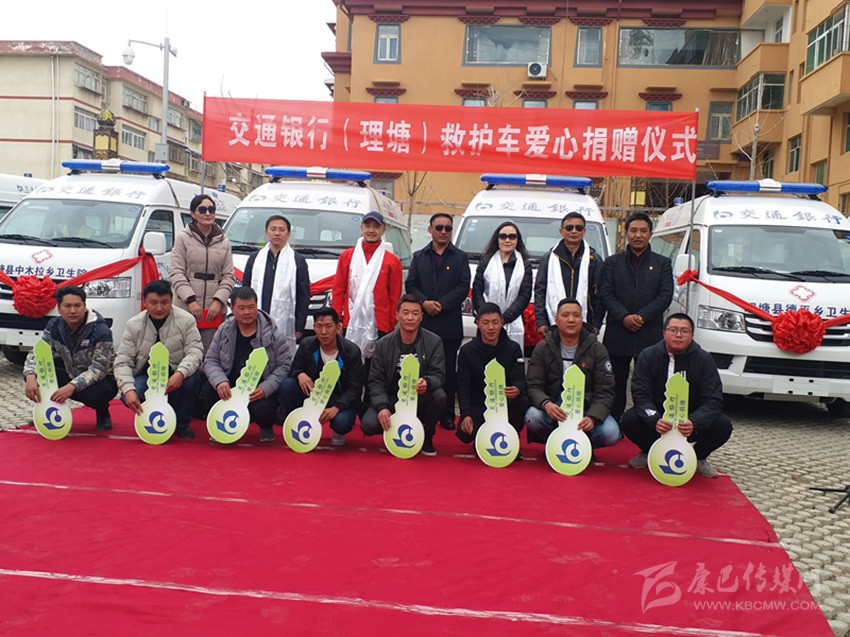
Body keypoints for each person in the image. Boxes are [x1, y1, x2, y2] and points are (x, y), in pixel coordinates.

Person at [620, 313, 733, 478]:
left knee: (723, 425)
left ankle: (697, 458)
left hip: (689, 422)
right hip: (659, 421)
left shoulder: (704, 359)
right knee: (629, 420)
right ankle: (649, 451)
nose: (678, 335)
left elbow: (713, 400)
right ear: (664, 333)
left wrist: (695, 421)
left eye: (684, 331)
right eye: (673, 330)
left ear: (692, 335)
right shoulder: (648, 356)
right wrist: (654, 419)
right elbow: (641, 395)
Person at [600, 212, 673, 420]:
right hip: (618, 332)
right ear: (626, 233)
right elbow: (606, 293)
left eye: (643, 231)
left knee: (648, 384)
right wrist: (624, 316)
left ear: (650, 234)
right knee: (615, 383)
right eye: (633, 230)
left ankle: (648, 423)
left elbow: (665, 295)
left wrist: (641, 317)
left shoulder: (662, 263)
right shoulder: (612, 263)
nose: (638, 235)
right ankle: (613, 424)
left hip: (648, 334)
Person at [524, 298, 620, 451]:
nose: (571, 320)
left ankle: (583, 448)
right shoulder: (543, 348)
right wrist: (546, 404)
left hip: (586, 408)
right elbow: (533, 385)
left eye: (576, 315)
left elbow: (605, 391)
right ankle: (554, 446)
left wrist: (593, 417)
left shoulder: (597, 349)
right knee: (533, 417)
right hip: (555, 407)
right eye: (565, 315)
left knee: (611, 433)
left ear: (582, 319)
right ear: (557, 320)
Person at [200, 287, 294, 443]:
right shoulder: (224, 330)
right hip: (230, 386)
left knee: (263, 409)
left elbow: (284, 366)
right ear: (232, 308)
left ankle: (265, 427)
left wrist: (265, 388)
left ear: (257, 306)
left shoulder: (273, 333)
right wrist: (220, 381)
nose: (247, 312)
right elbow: (210, 360)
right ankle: (220, 423)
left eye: (251, 307)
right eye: (241, 308)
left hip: (259, 389)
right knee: (208, 390)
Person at [113, 279, 204, 439]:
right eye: (153, 303)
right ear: (144, 302)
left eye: (164, 302)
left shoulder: (187, 320)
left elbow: (195, 351)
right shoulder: (133, 324)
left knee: (192, 381)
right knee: (132, 392)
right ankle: (151, 417)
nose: (159, 308)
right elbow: (122, 360)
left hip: (176, 372)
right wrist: (128, 389)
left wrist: (181, 373)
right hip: (146, 375)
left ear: (172, 300)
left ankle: (182, 424)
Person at [332, 211, 402, 409]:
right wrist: (337, 319)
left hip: (380, 324)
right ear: (361, 228)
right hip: (351, 322)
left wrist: (390, 324)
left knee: (375, 369)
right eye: (367, 226)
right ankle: (347, 406)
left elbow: (394, 296)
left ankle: (371, 407)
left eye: (376, 226)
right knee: (350, 367)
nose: (371, 230)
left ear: (383, 229)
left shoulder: (391, 261)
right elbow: (339, 289)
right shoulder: (347, 257)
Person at [405, 212, 470, 430]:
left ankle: (447, 414)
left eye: (448, 228)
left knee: (448, 370)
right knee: (422, 368)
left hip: (448, 323)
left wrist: (441, 304)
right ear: (430, 229)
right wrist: (424, 303)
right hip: (424, 323)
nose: (443, 232)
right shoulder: (419, 256)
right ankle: (420, 409)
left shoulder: (460, 257)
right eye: (439, 227)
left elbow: (463, 286)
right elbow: (411, 284)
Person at [361, 294, 446, 456]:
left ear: (421, 317)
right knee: (368, 425)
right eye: (405, 313)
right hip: (392, 397)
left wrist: (427, 382)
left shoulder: (434, 341)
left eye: (415, 313)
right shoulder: (383, 344)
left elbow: (439, 375)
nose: (410, 318)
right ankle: (395, 432)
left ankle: (426, 435)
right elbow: (376, 381)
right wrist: (382, 407)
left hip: (419, 397)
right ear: (397, 316)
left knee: (439, 396)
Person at [23, 285, 117, 430]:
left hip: (101, 380)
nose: (73, 310)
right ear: (59, 308)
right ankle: (46, 411)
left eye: (77, 305)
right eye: (67, 306)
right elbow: (38, 352)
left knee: (94, 395)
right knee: (39, 374)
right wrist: (30, 375)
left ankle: (103, 413)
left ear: (84, 306)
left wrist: (72, 386)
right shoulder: (54, 325)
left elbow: (99, 369)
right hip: (70, 373)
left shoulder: (101, 330)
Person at [278, 308, 364, 447]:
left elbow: (355, 388)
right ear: (314, 328)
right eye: (319, 326)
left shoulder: (351, 351)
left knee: (342, 422)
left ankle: (338, 432)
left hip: (338, 397)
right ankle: (297, 422)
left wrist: (337, 407)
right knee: (287, 385)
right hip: (312, 393)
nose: (323, 332)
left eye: (328, 326)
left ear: (338, 327)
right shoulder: (307, 344)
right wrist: (300, 374)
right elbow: (294, 369)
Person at [456, 303, 528, 447]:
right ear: (477, 324)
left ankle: (512, 438)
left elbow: (520, 379)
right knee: (466, 434)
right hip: (479, 403)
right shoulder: (467, 351)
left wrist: (517, 388)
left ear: (501, 322)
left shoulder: (513, 348)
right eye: (486, 323)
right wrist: (466, 414)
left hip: (504, 404)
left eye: (495, 322)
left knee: (522, 401)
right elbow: (463, 386)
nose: (491, 327)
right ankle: (480, 438)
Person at [170, 193, 235, 350]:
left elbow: (228, 276)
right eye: (202, 210)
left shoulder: (224, 241)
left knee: (212, 352)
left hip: (214, 311)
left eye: (211, 210)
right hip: (186, 307)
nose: (207, 213)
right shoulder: (183, 238)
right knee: (184, 350)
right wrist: (191, 301)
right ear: (193, 214)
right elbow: (176, 272)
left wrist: (218, 301)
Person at [241, 214, 310, 347]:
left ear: (288, 234)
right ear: (266, 233)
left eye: (281, 230)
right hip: (256, 318)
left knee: (280, 353)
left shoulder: (297, 261)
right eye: (273, 229)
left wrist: (299, 326)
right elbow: (245, 290)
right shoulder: (255, 258)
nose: (277, 233)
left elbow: (303, 296)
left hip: (284, 321)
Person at [534, 212, 604, 334]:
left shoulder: (594, 260)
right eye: (569, 228)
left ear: (584, 231)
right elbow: (540, 291)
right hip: (553, 324)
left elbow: (600, 294)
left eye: (579, 228)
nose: (574, 231)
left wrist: (597, 324)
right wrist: (541, 321)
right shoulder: (549, 259)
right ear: (561, 231)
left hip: (586, 324)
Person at [472, 222, 533, 351]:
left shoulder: (524, 265)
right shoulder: (485, 262)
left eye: (512, 237)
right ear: (497, 239)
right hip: (487, 321)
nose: (507, 240)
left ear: (517, 240)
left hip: (512, 320)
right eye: (503, 236)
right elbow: (477, 291)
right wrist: (487, 316)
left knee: (510, 357)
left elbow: (524, 295)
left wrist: (504, 319)